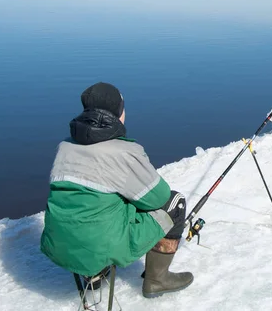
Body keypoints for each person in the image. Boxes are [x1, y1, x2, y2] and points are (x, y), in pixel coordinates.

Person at [40, 82, 193, 298]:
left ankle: (93, 276)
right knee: (174, 202)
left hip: (58, 245)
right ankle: (157, 280)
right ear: (118, 114)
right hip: (100, 246)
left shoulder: (65, 146)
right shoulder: (124, 152)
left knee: (96, 203)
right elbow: (158, 197)